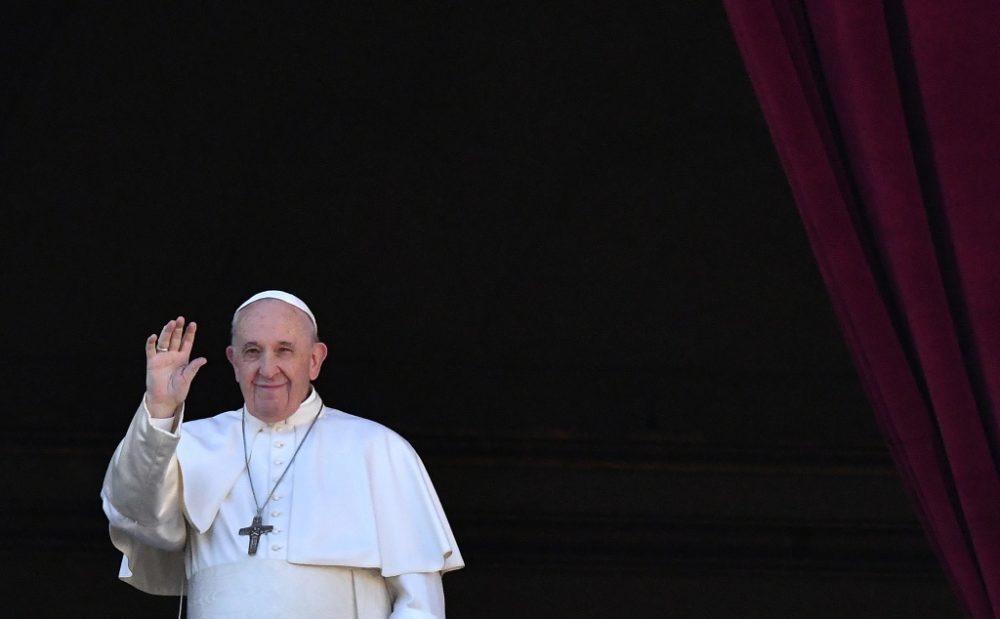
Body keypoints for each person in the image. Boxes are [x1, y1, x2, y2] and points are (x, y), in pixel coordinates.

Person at [101, 290, 463, 619]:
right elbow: (136, 517)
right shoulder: (190, 444)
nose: (267, 369)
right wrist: (161, 408)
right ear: (233, 361)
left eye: (284, 350)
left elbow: (420, 606)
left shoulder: (378, 450)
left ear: (315, 360)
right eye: (252, 351)